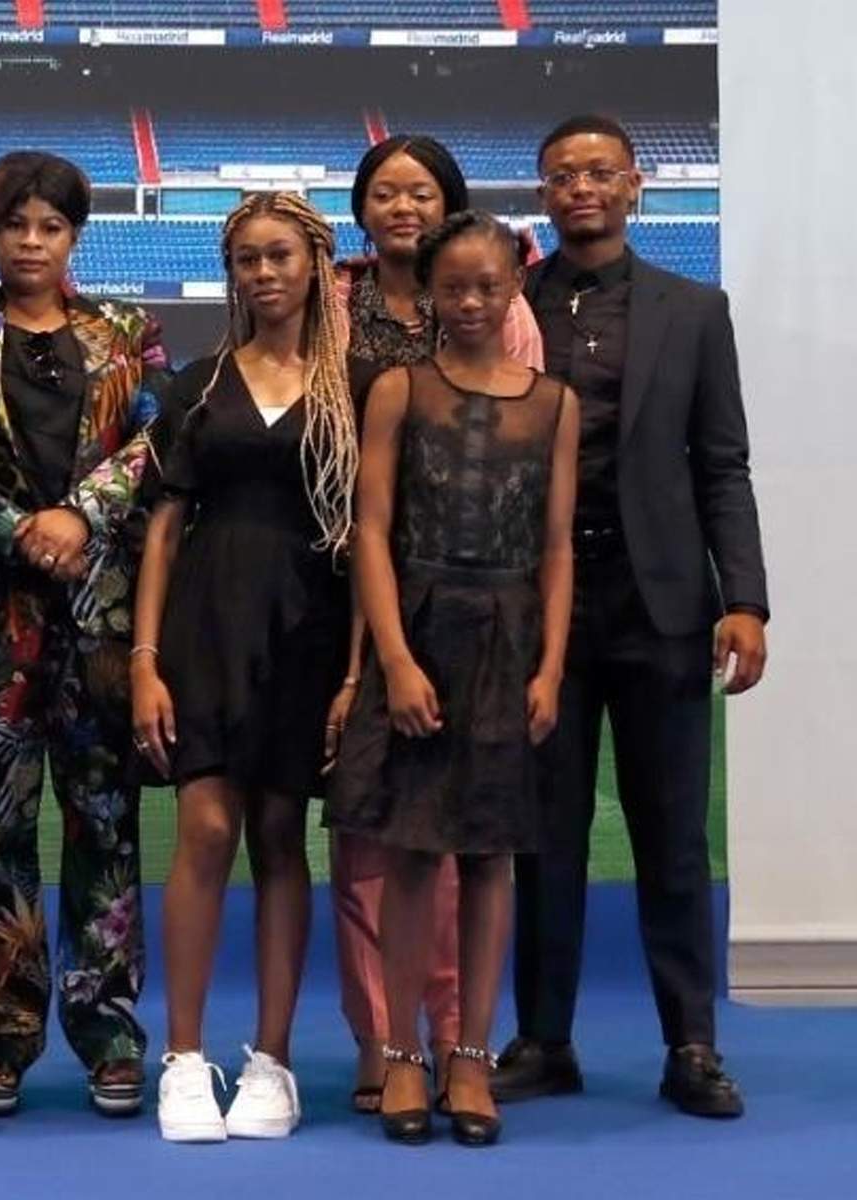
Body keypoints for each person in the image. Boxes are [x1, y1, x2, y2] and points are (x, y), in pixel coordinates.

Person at [494, 115, 768, 1119]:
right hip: (538, 612)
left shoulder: (694, 311)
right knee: (542, 835)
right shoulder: (505, 304)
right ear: (540, 190)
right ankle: (542, 1039)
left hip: (661, 605)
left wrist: (742, 597)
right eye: (561, 173)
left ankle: (690, 1044)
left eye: (599, 171)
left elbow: (721, 464)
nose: (580, 188)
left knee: (671, 836)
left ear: (635, 186)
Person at [326, 210, 578, 1148]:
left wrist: (551, 667)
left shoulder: (554, 402)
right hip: (420, 633)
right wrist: (392, 657)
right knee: (411, 851)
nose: (470, 301)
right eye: (454, 286)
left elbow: (555, 547)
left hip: (509, 639)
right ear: (429, 292)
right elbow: (373, 530)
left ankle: (470, 1053)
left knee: (489, 856)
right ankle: (402, 1055)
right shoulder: (398, 389)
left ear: (515, 287)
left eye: (489, 285)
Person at [132, 193, 359, 1143]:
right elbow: (163, 528)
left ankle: (271, 1061)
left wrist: (354, 677)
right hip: (205, 626)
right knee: (206, 826)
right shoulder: (196, 384)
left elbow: (373, 539)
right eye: (246, 260)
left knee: (278, 835)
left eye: (278, 256)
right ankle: (184, 1061)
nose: (262, 274)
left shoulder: (359, 386)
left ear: (315, 262)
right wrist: (145, 659)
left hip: (309, 629)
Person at [0, 149, 167, 1119]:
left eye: (50, 226)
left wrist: (81, 512)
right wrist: (17, 527)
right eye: (14, 227)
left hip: (101, 618)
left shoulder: (127, 333)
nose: (31, 243)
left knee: (105, 831)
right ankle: (2, 1034)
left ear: (73, 234)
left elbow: (157, 440)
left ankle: (109, 1032)